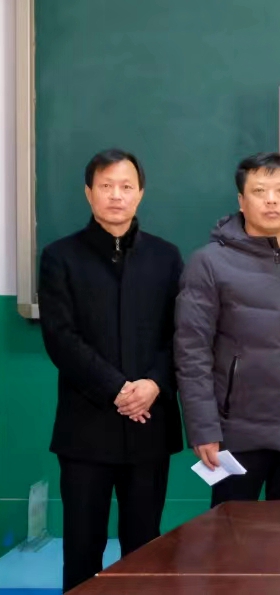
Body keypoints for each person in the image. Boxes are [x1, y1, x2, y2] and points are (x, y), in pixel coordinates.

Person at [39, 149, 184, 591]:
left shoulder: (166, 257)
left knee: (145, 547)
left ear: (140, 193)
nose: (116, 195)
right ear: (89, 193)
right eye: (106, 186)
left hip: (149, 427)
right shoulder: (61, 256)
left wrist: (154, 383)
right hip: (87, 429)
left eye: (126, 186)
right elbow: (61, 338)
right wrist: (117, 389)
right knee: (82, 546)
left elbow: (180, 334)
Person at [175, 152, 280, 507]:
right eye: (260, 191)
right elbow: (192, 352)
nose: (271, 200)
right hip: (235, 435)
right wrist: (204, 428)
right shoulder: (209, 263)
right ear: (241, 200)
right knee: (231, 533)